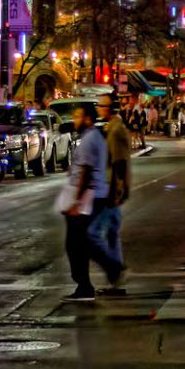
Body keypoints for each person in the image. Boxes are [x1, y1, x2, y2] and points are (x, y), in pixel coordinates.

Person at [61, 105, 122, 302]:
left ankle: (100, 275)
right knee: (81, 241)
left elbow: (86, 172)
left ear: (87, 119)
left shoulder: (88, 140)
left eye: (77, 116)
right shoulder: (95, 137)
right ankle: (92, 280)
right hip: (95, 194)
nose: (74, 119)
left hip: (89, 197)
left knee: (77, 243)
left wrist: (77, 202)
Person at [94, 94, 134, 296]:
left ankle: (115, 270)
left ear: (109, 108)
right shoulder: (113, 127)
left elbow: (119, 161)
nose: (98, 108)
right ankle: (115, 279)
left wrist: (117, 189)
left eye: (101, 105)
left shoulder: (116, 130)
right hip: (113, 187)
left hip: (111, 188)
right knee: (111, 233)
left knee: (93, 233)